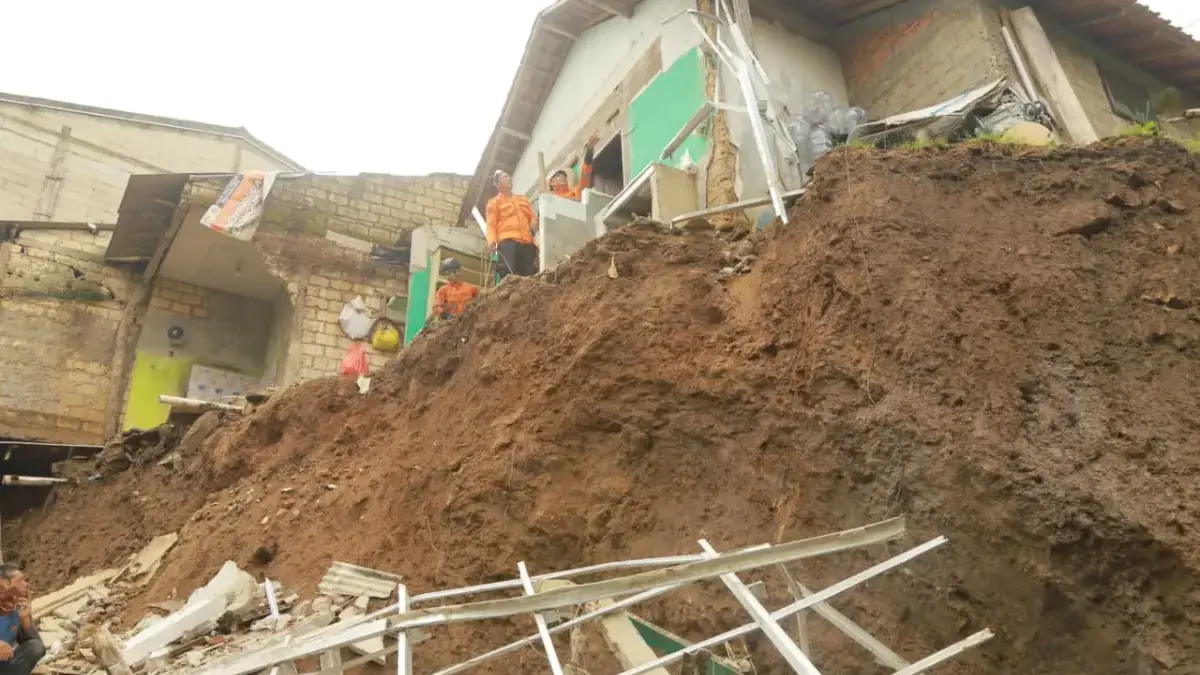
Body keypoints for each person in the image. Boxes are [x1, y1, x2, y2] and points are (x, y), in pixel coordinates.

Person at [485, 170, 539, 279]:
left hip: (527, 242)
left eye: (509, 176)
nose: (509, 178)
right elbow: (491, 225)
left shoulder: (523, 199)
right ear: (497, 184)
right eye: (505, 177)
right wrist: (491, 241)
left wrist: (536, 224)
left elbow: (533, 218)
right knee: (508, 275)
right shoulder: (493, 203)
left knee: (529, 277)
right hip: (508, 242)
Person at [0, 564, 44, 675]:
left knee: (35, 647)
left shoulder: (18, 607)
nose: (26, 584)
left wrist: (24, 619)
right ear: (4, 584)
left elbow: (38, 647)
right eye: (20, 581)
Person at [548, 133, 600, 202]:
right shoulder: (552, 201)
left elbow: (585, 173)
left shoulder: (575, 192)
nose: (564, 178)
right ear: (552, 183)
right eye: (559, 175)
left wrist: (590, 148)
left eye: (564, 176)